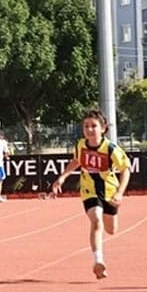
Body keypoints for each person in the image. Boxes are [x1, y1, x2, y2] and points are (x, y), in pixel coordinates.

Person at [51, 110, 131, 280]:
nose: (89, 129)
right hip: (89, 191)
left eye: (93, 126)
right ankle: (98, 261)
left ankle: (100, 254)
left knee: (111, 230)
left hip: (109, 192)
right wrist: (62, 177)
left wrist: (120, 193)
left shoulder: (111, 148)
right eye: (86, 126)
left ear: (103, 128)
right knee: (96, 221)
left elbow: (125, 169)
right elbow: (76, 160)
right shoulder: (80, 145)